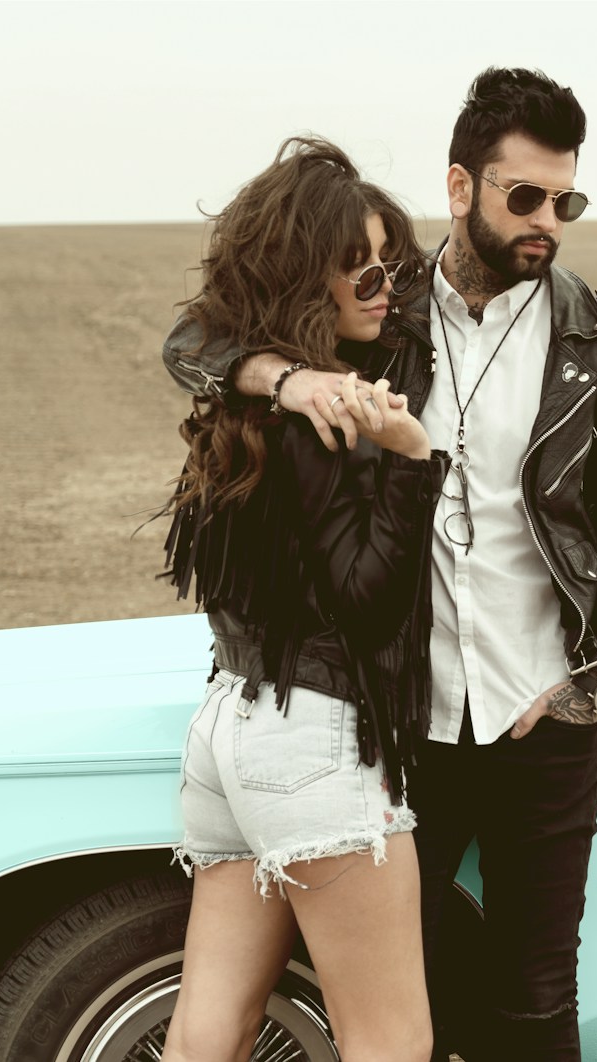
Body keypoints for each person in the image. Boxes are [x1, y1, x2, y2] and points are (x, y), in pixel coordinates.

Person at [162, 68, 597, 1061]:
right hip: (399, 713)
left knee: (533, 996)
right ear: (460, 186)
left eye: (565, 203)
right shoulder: (378, 314)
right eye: (523, 197)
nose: (546, 223)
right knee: (406, 1003)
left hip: (542, 711)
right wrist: (291, 376)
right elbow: (196, 342)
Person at [157, 136, 445, 1062]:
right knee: (391, 1038)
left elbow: (196, 338)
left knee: (212, 1025)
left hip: (229, 730)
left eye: (387, 264)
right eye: (353, 267)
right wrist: (409, 466)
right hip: (317, 742)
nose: (381, 286)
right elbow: (364, 604)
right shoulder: (320, 418)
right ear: (295, 278)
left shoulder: (246, 407)